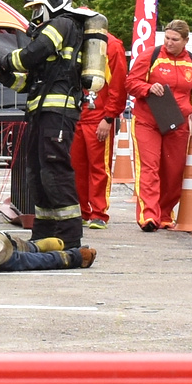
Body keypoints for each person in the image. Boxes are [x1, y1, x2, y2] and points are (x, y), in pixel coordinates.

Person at [0, 0, 94, 250]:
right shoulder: (54, 32)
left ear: (53, 3)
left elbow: (31, 54)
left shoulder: (62, 24)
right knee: (38, 174)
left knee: (55, 171)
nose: (35, 15)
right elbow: (28, 83)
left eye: (38, 8)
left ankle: (70, 237)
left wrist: (3, 61)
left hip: (57, 112)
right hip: (42, 111)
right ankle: (44, 233)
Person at [127, 20, 192, 231]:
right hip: (147, 121)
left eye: (175, 39)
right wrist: (147, 88)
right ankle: (148, 216)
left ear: (185, 41)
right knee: (150, 167)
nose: (169, 43)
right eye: (167, 38)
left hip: (178, 123)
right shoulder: (151, 56)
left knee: (174, 171)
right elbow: (131, 83)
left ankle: (164, 214)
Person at [71, 20, 129, 231]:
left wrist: (109, 117)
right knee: (75, 167)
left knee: (99, 168)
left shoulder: (111, 45)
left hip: (98, 116)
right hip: (76, 115)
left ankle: (98, 213)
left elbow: (118, 85)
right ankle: (81, 211)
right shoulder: (75, 41)